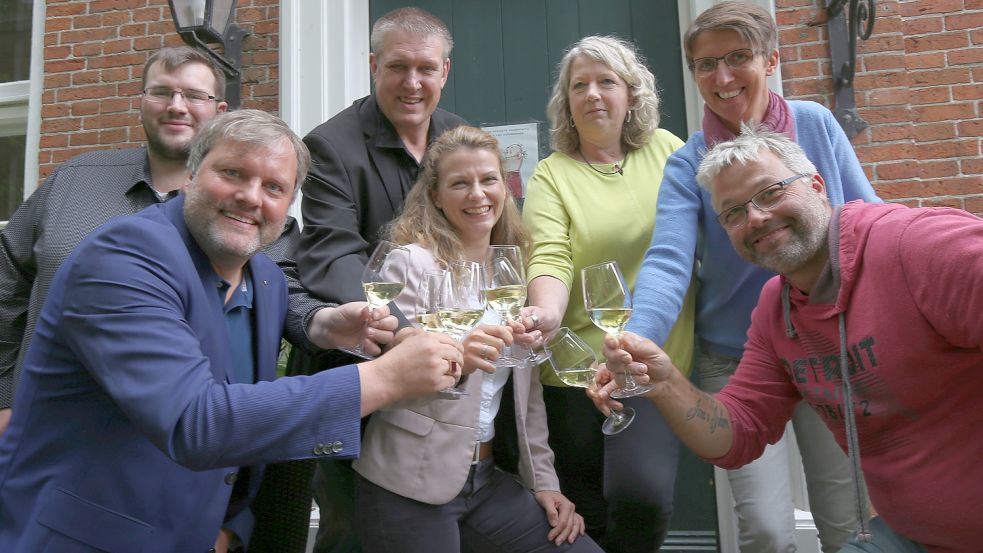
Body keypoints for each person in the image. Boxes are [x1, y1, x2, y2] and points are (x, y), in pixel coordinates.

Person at [0, 110, 464, 552]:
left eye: (275, 187)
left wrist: (228, 527)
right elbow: (193, 420)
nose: (251, 196)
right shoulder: (123, 258)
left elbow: (243, 425)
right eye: (233, 174)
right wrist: (385, 379)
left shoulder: (265, 280)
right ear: (190, 175)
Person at [598, 126, 983, 553]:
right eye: (734, 213)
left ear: (817, 186)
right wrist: (665, 383)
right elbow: (737, 433)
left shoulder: (920, 248)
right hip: (909, 535)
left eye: (770, 192)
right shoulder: (777, 309)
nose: (756, 218)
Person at [626, 3, 881, 550]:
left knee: (847, 519)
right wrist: (637, 336)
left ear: (771, 60)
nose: (721, 78)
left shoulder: (815, 124)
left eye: (737, 58)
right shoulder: (688, 162)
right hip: (735, 356)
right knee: (765, 527)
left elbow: (866, 216)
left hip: (825, 343)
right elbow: (669, 261)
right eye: (705, 64)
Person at [350, 125, 601, 553]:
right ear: (435, 196)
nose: (477, 194)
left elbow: (529, 393)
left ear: (506, 186)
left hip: (487, 480)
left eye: (488, 179)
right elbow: (389, 377)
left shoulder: (512, 274)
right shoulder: (409, 263)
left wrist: (544, 483)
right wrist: (456, 360)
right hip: (409, 481)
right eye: (459, 183)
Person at [285, 7, 467, 552]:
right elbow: (333, 253)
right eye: (397, 67)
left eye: (425, 69)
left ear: (445, 72)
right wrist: (409, 333)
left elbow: (492, 239)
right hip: (358, 370)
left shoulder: (460, 137)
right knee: (353, 532)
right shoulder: (330, 146)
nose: (413, 83)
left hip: (452, 382)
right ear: (372, 66)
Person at [520, 35, 696, 552]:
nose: (593, 94)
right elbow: (548, 255)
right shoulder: (553, 173)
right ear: (567, 102)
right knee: (586, 512)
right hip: (576, 373)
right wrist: (546, 313)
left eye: (606, 81)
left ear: (631, 93)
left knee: (645, 499)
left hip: (650, 364)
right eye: (580, 85)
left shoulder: (667, 149)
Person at [0, 46, 230, 437]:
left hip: (172, 447)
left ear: (219, 112)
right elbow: (5, 286)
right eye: (161, 92)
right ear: (141, 101)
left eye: (193, 95)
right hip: (41, 436)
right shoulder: (73, 181)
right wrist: (3, 398)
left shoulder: (241, 212)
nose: (177, 106)